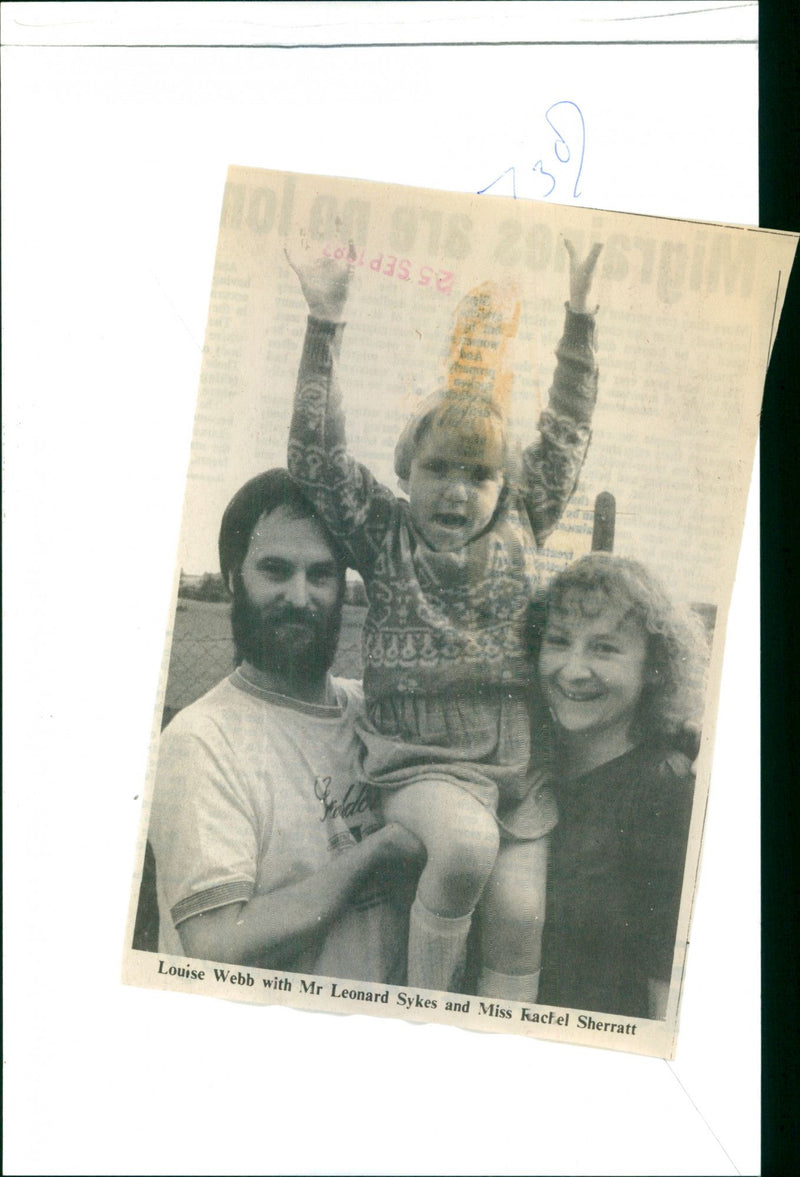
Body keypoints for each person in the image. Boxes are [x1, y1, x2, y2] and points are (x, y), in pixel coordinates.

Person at [286, 239, 603, 1000]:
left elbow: (564, 430)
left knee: (521, 914)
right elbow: (316, 458)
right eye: (437, 469)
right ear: (405, 473)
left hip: (517, 771)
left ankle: (503, 1037)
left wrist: (580, 318)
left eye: (478, 474)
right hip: (417, 764)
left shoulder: (523, 519)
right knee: (464, 846)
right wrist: (325, 323)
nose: (457, 490)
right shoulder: (384, 532)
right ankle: (426, 1014)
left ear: (504, 484)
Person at [148, 468, 423, 979]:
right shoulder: (202, 740)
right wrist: (376, 852)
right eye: (275, 570)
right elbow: (216, 944)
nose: (300, 597)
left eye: (320, 574)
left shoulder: (375, 716)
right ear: (233, 579)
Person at [528, 553, 709, 1019]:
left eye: (604, 649)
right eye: (559, 641)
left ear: (654, 667)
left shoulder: (666, 791)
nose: (573, 669)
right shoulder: (526, 762)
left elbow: (667, 997)